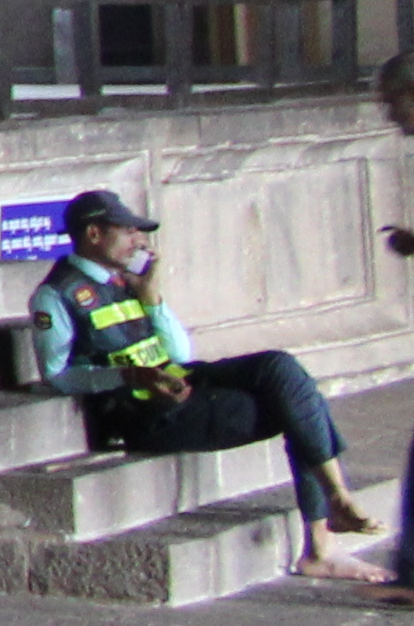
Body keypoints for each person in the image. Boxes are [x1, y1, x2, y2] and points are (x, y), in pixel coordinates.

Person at [29, 187, 387, 581]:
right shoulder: (56, 294)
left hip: (181, 380)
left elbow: (180, 353)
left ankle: (335, 504)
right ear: (94, 234)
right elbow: (58, 376)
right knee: (295, 405)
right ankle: (323, 537)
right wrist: (129, 375)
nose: (139, 241)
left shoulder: (127, 280)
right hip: (145, 412)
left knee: (280, 369)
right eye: (128, 231)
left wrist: (153, 300)